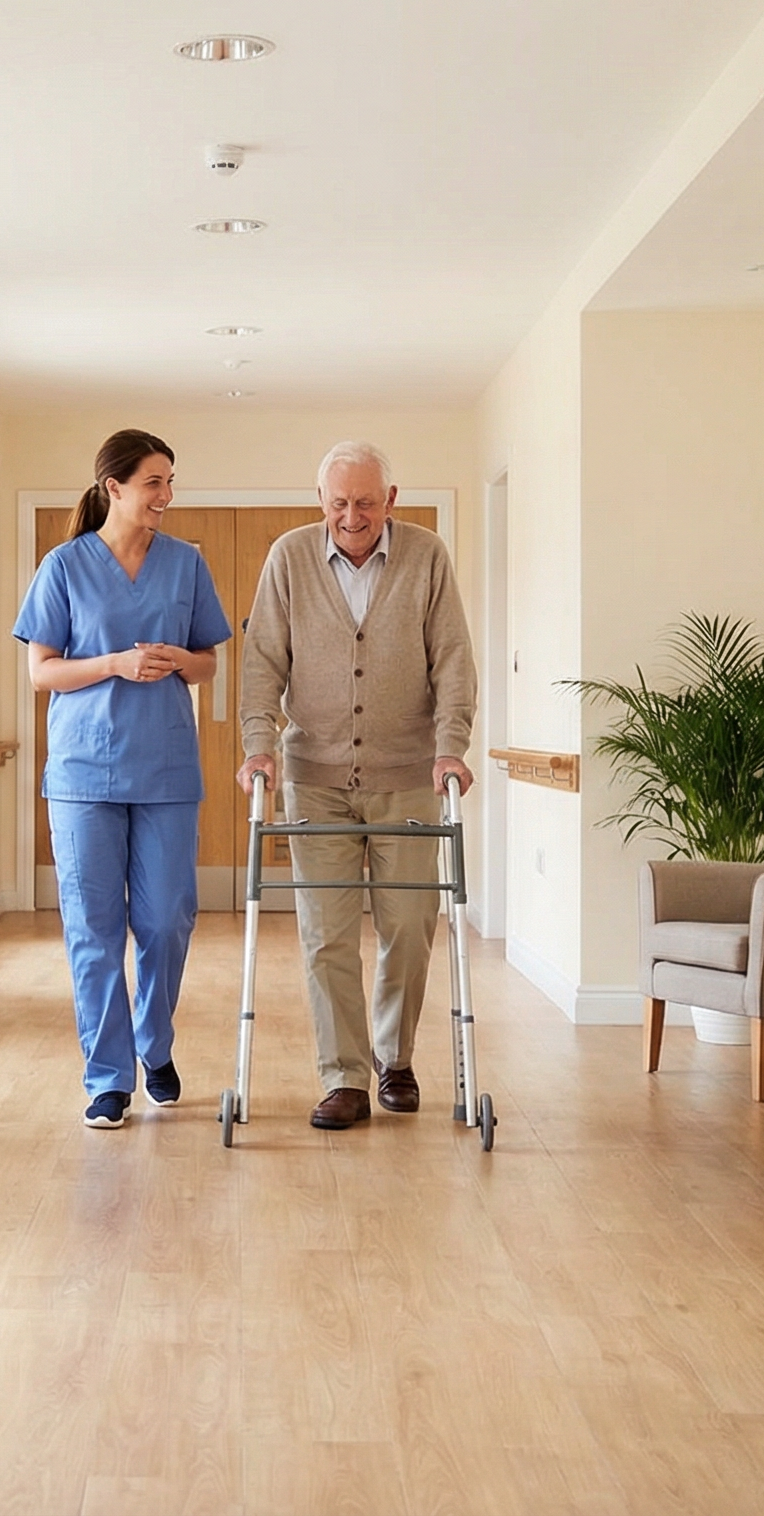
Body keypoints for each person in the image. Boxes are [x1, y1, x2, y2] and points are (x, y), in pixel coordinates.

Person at [237, 441, 478, 1130]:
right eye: (339, 503)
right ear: (321, 503)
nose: (352, 516)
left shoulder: (427, 556)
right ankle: (343, 1076)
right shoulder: (288, 558)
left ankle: (394, 1058)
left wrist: (450, 747)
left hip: (408, 776)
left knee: (409, 924)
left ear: (391, 502)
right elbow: (261, 665)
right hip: (313, 778)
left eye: (366, 503)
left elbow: (454, 659)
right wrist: (259, 745)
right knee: (326, 931)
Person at [14, 429, 231, 1129]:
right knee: (94, 928)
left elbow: (209, 663)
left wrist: (176, 659)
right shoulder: (64, 566)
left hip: (166, 768)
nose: (166, 496)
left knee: (167, 920)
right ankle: (109, 1077)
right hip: (83, 773)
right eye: (153, 483)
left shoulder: (185, 566)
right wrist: (112, 663)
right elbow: (42, 670)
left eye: (171, 482)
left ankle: (154, 1045)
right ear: (114, 487)